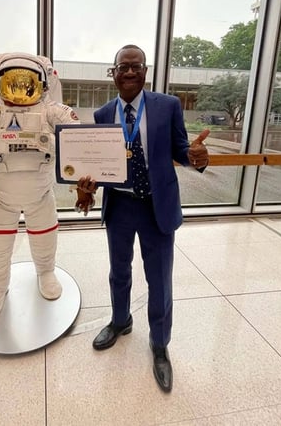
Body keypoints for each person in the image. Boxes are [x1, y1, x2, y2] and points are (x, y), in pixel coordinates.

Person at [76, 44, 209, 392]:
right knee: (118, 272)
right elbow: (100, 164)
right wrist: (88, 185)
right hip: (119, 206)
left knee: (159, 279)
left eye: (136, 66)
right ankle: (121, 321)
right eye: (123, 66)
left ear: (145, 71)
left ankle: (160, 343)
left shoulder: (168, 106)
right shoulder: (103, 114)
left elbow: (183, 150)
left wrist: (197, 157)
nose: (130, 72)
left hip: (156, 206)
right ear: (114, 73)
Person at [0, 52, 89, 325]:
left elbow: (80, 141)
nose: (19, 91)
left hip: (41, 194)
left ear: (43, 85)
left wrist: (82, 175)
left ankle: (46, 272)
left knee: (45, 237)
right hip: (1, 198)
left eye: (27, 84)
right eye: (12, 83)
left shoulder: (52, 110)